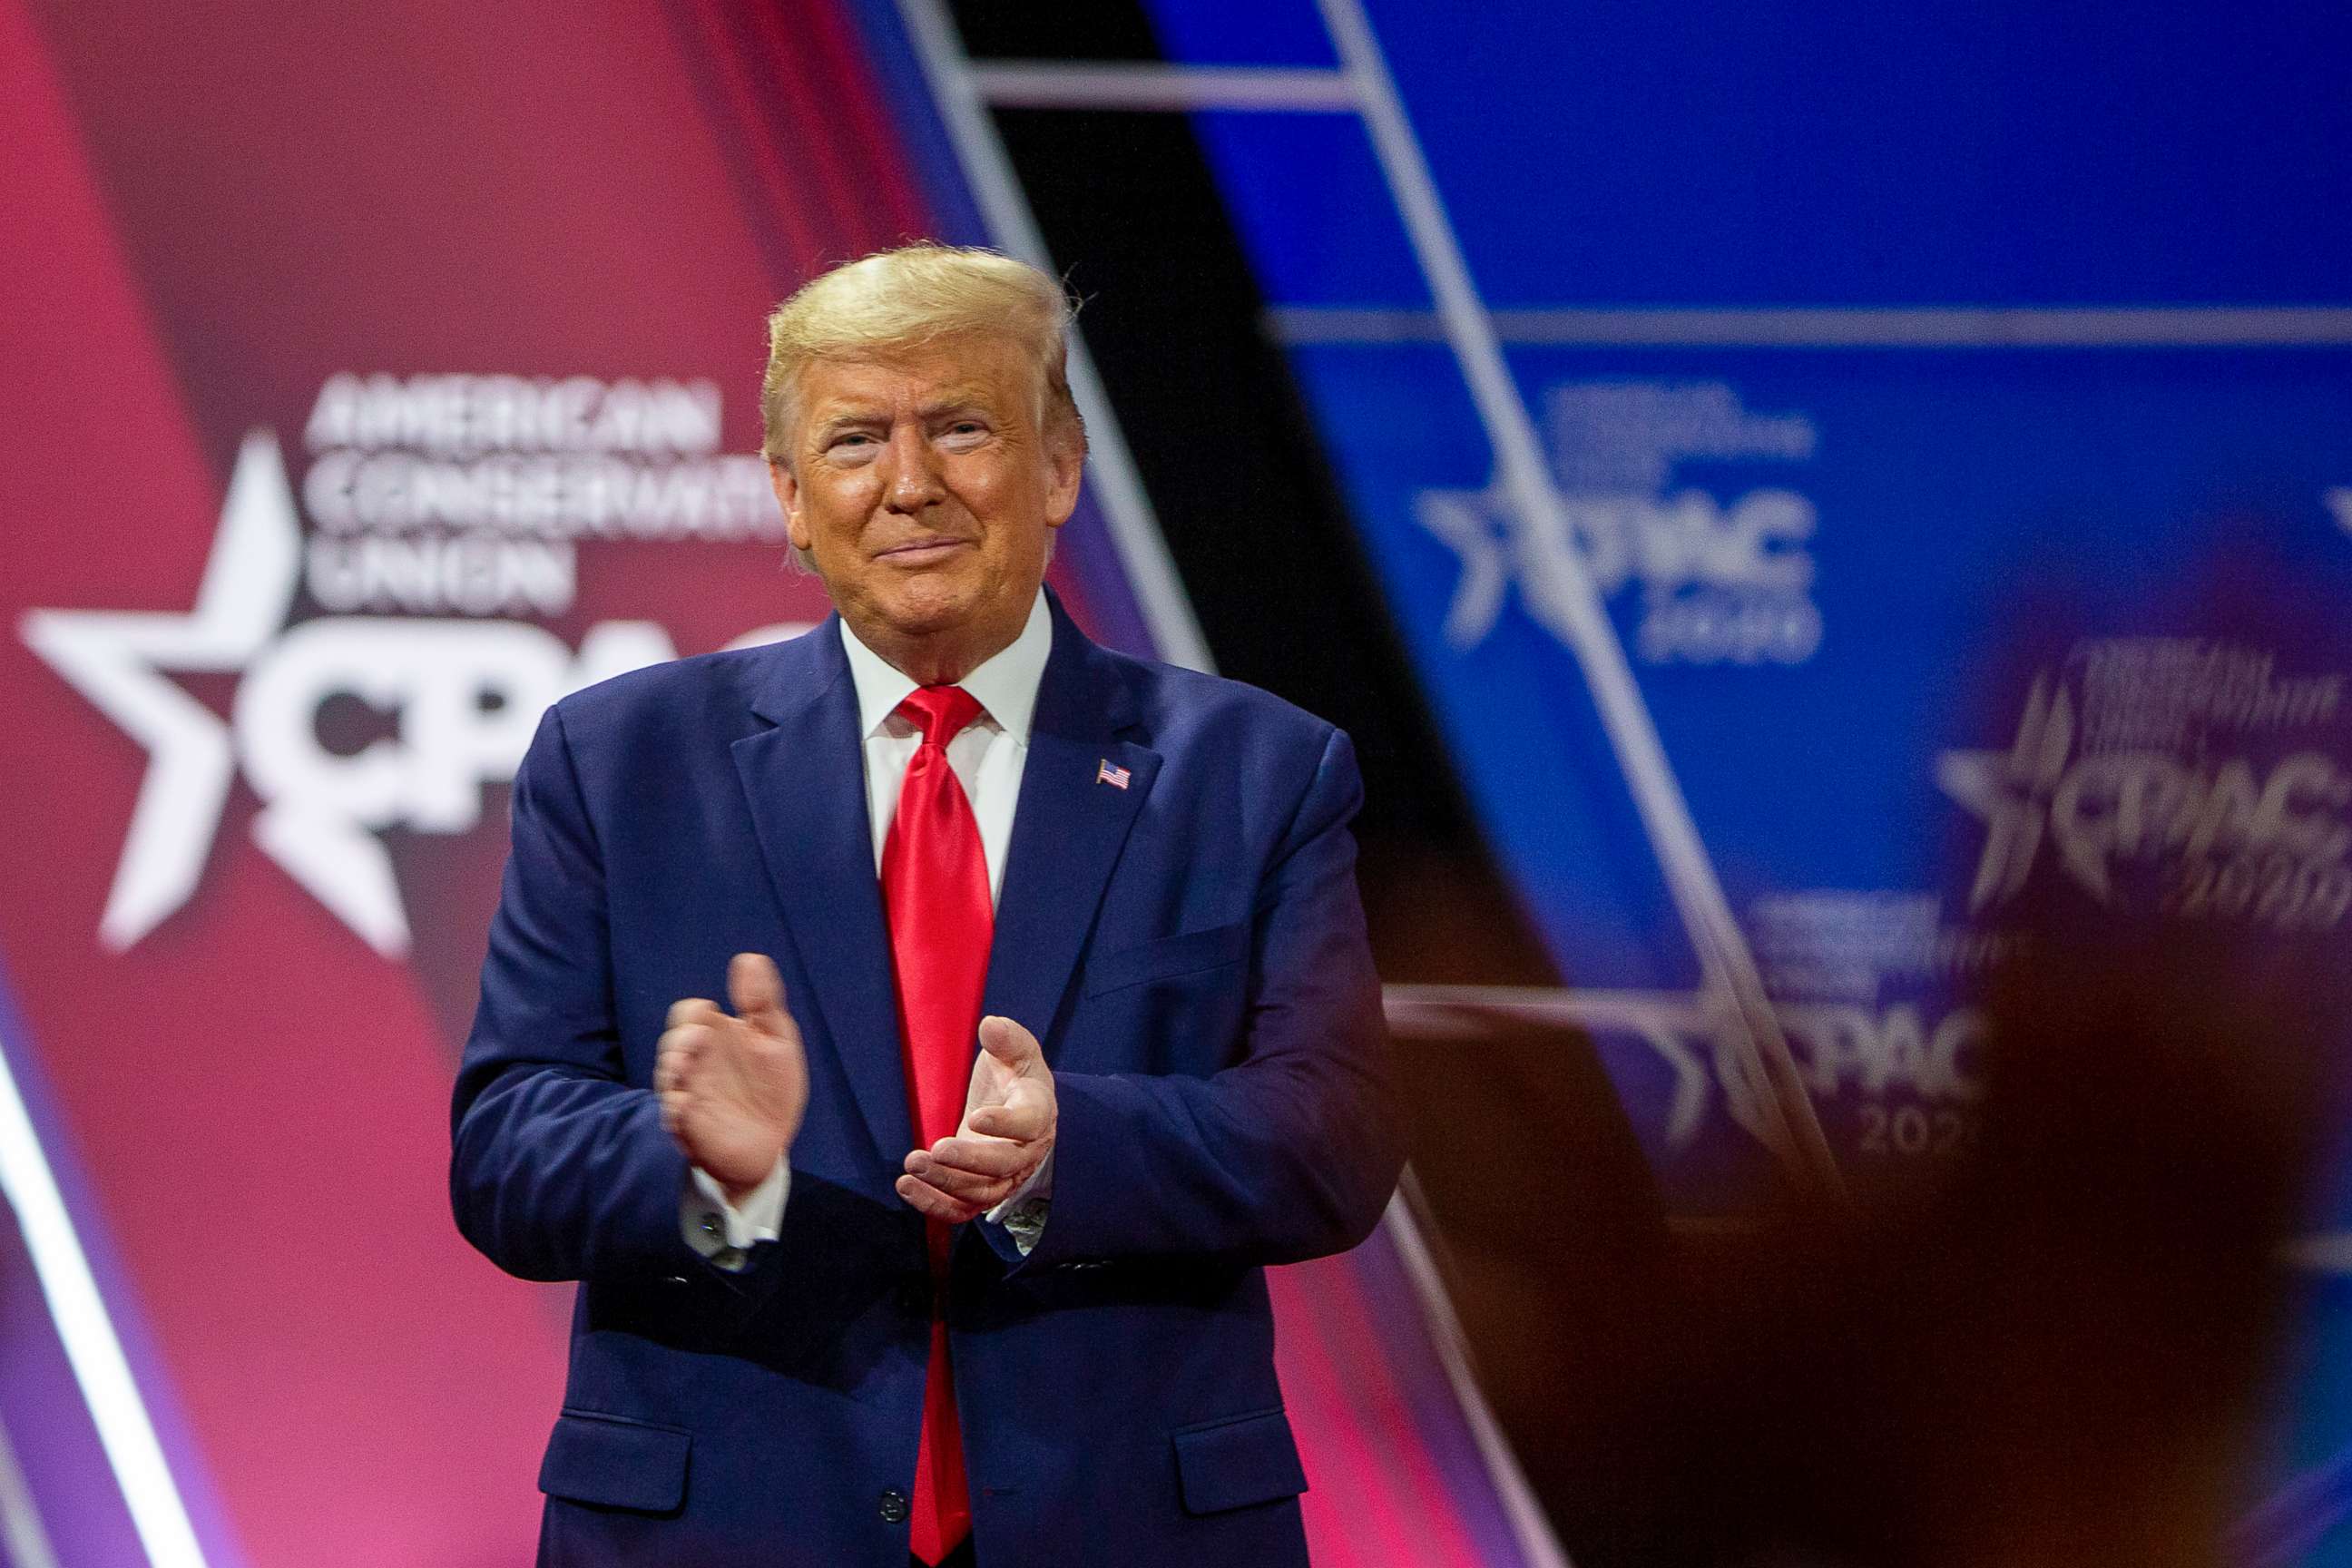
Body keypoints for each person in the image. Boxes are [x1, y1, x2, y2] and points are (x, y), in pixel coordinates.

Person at [449, 243, 1405, 1566]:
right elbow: (506, 1150)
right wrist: (712, 1165)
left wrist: (1080, 1143)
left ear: (1059, 465)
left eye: (961, 428)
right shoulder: (620, 763)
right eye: (854, 441)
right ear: (789, 496)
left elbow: (1337, 1139)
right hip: (724, 1526)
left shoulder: (1256, 769)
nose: (910, 485)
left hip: (1126, 1523)